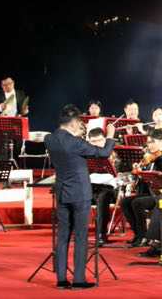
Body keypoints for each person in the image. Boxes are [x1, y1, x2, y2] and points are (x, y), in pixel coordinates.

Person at [44, 105, 115, 289]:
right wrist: (110, 136)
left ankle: (61, 279)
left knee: (63, 236)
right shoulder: (75, 143)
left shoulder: (49, 139)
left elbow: (68, 147)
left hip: (62, 192)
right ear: (74, 122)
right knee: (81, 236)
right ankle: (78, 279)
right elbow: (103, 153)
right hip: (80, 194)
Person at [121, 130, 162, 247]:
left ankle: (143, 236)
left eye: (152, 142)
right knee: (125, 202)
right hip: (150, 193)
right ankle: (139, 234)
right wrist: (139, 172)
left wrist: (146, 175)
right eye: (148, 142)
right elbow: (144, 180)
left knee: (137, 203)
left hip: (161, 195)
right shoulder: (150, 157)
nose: (149, 145)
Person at [86, 127, 119, 245]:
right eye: (93, 142)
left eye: (99, 140)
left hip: (109, 188)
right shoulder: (87, 154)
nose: (96, 144)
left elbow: (122, 174)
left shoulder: (113, 153)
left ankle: (101, 234)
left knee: (103, 198)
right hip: (91, 187)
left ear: (105, 139)